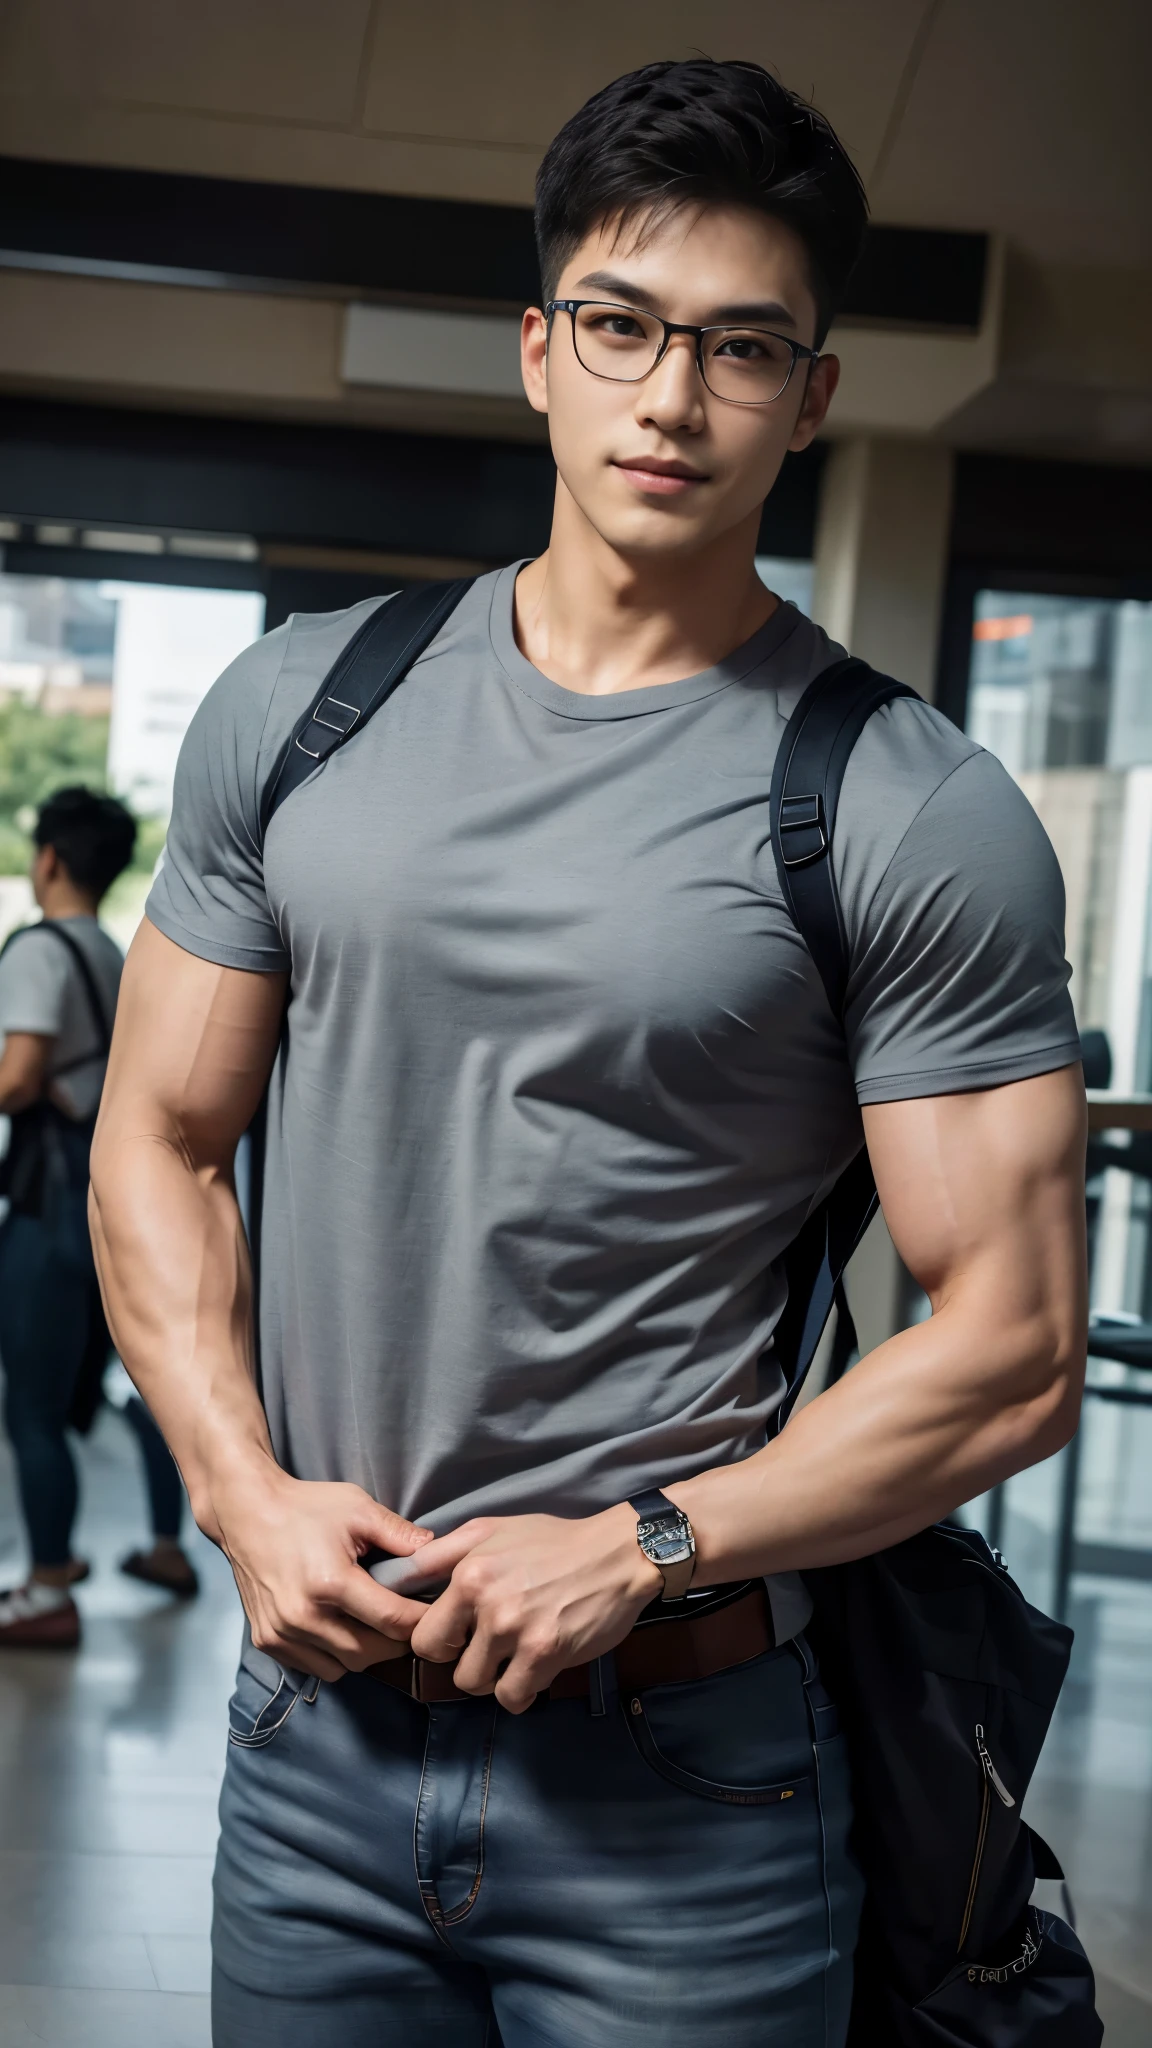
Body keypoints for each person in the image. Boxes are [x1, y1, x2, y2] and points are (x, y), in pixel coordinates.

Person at [90, 59, 1086, 2048]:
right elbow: (159, 1140)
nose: (673, 396)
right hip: (320, 1752)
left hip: (689, 1782)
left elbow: (1016, 1339)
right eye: (624, 327)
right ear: (540, 351)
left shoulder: (902, 802)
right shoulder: (299, 712)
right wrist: (238, 1489)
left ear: (810, 399)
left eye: (741, 348)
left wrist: (648, 1543)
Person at [0, 786, 197, 1649]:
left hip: (48, 1205)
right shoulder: (114, 950)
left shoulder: (38, 951)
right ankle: (165, 1545)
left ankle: (47, 1588)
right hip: (111, 1200)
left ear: (48, 858)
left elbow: (17, 1077)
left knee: (32, 1409)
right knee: (129, 1382)